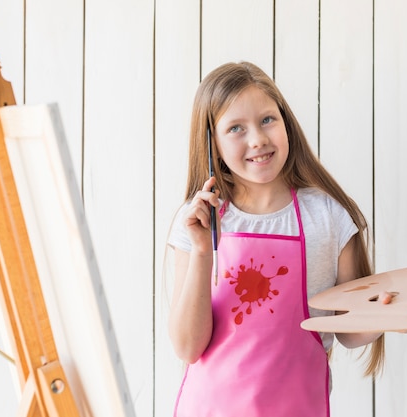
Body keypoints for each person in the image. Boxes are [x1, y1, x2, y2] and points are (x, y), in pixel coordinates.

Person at [167, 61, 391, 417]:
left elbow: (350, 328)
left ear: (286, 122)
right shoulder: (198, 220)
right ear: (211, 145)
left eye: (267, 119)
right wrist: (200, 252)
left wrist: (394, 315)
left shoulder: (328, 217)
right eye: (236, 128)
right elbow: (188, 346)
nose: (257, 139)